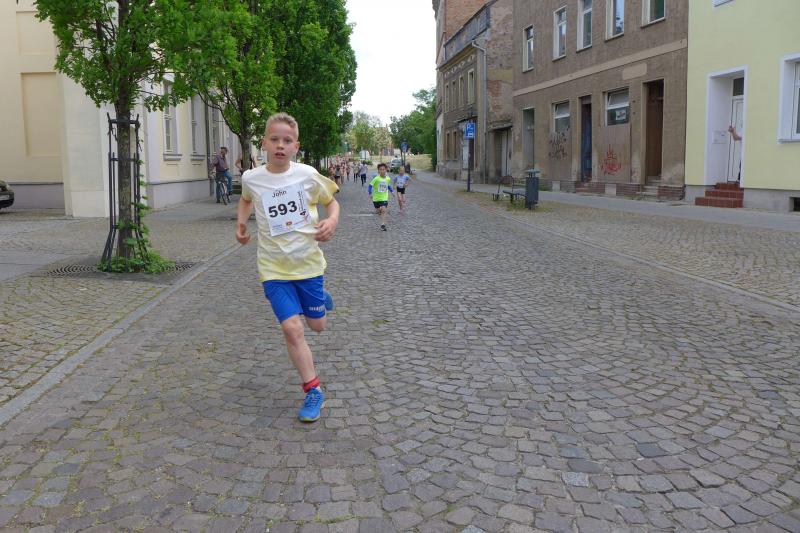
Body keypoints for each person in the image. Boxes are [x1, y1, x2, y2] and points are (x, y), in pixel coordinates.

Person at [236, 112, 340, 423]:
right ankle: (313, 390)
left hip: (308, 265)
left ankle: (320, 299)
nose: (280, 145)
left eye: (287, 140)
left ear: (296, 146)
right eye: (274, 139)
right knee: (292, 329)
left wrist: (332, 221)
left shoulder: (307, 175)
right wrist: (241, 225)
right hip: (273, 269)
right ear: (264, 143)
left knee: (317, 326)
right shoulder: (251, 178)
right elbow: (245, 200)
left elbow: (332, 201)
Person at [369, 163, 394, 231]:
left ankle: (383, 224)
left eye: (383, 169)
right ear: (378, 171)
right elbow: (370, 186)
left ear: (386, 170)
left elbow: (388, 185)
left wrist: (392, 191)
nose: (382, 171)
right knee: (378, 211)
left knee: (383, 210)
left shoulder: (388, 178)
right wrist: (370, 193)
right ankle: (379, 211)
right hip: (376, 198)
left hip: (384, 197)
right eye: (380, 169)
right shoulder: (376, 179)